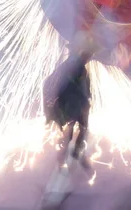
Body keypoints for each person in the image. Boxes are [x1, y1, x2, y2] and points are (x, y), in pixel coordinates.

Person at [43, 33, 96, 172]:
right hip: (73, 104)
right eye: (88, 54)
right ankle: (66, 157)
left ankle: (74, 153)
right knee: (73, 129)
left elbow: (83, 85)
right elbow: (53, 82)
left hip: (79, 104)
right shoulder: (72, 66)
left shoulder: (77, 66)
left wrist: (87, 98)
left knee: (80, 128)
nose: (89, 57)